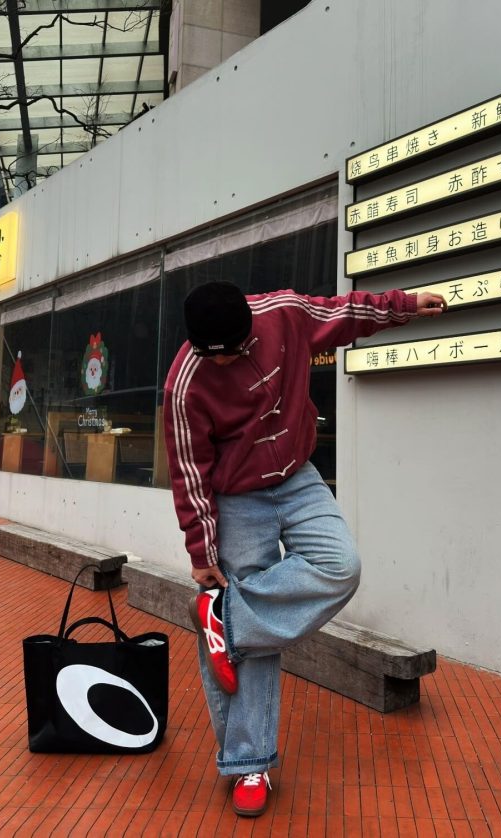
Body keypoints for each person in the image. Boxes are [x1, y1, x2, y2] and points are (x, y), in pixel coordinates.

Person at [163, 280, 446, 817]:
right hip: (237, 495)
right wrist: (201, 553)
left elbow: (345, 313)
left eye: (234, 354)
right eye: (211, 358)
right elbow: (189, 474)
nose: (222, 367)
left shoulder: (284, 315)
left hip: (297, 476)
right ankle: (249, 763)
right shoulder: (185, 385)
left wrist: (405, 305)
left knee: (341, 565)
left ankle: (228, 619)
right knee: (260, 636)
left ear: (249, 328)